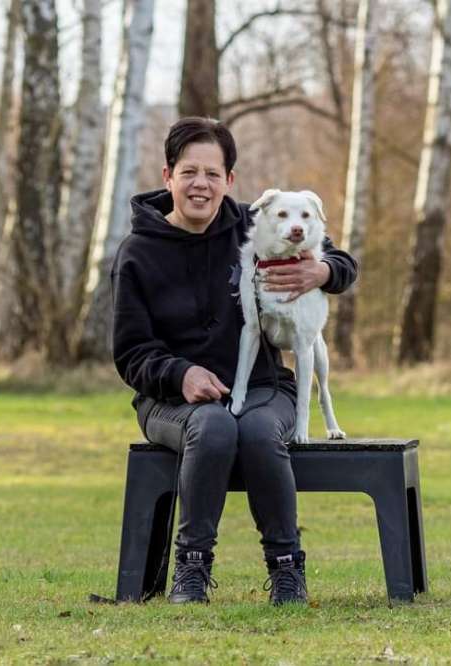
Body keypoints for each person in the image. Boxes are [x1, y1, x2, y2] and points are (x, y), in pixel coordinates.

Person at [111, 117, 357, 605]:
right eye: (188, 172)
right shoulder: (137, 253)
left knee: (258, 431)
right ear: (168, 177)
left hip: (264, 387)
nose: (200, 184)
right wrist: (180, 374)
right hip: (169, 401)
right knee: (216, 427)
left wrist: (323, 270)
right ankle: (192, 568)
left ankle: (287, 568)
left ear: (230, 181)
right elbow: (131, 353)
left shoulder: (260, 225)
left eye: (212, 173)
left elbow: (345, 264)